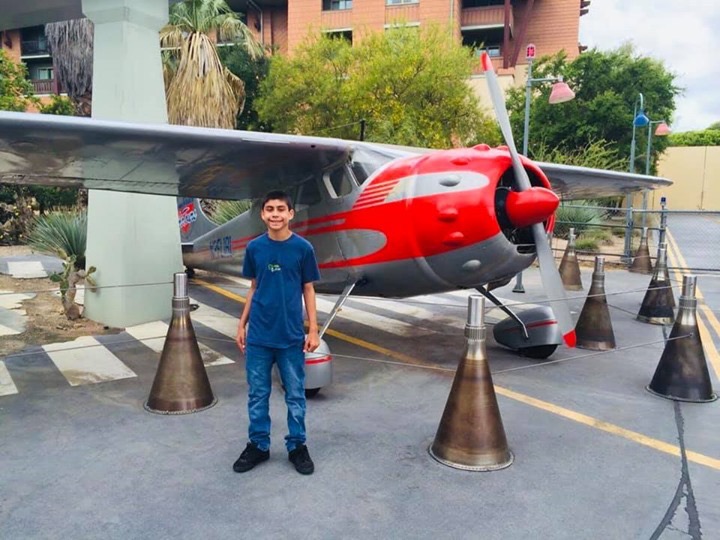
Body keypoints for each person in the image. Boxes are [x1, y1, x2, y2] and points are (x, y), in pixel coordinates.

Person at [234, 190, 321, 475]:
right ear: (262, 214)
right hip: (259, 336)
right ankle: (258, 445)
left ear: (290, 214)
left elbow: (308, 289)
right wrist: (241, 324)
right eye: (269, 209)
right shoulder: (255, 248)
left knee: (295, 394)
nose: (275, 214)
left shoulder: (303, 249)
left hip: (290, 337)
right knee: (258, 394)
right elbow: (253, 287)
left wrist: (313, 329)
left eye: (281, 209)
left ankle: (297, 445)